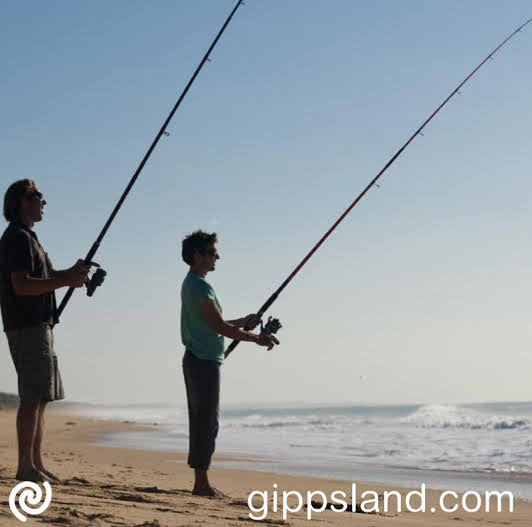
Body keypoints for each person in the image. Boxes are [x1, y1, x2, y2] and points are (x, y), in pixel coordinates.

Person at [0, 179, 95, 482]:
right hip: (27, 326)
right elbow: (22, 284)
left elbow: (51, 275)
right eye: (38, 196)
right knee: (31, 397)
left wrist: (74, 272)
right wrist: (66, 281)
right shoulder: (17, 237)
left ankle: (35, 463)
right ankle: (24, 466)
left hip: (40, 326)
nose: (44, 201)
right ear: (21, 202)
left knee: (41, 397)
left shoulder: (30, 238)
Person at [181, 230, 279, 497]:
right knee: (206, 422)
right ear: (198, 256)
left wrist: (242, 323)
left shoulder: (193, 283)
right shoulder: (199, 286)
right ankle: (201, 484)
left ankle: (201, 480)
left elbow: (214, 324)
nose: (217, 257)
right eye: (213, 252)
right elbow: (219, 326)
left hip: (199, 359)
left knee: (203, 421)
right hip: (202, 361)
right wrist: (256, 338)